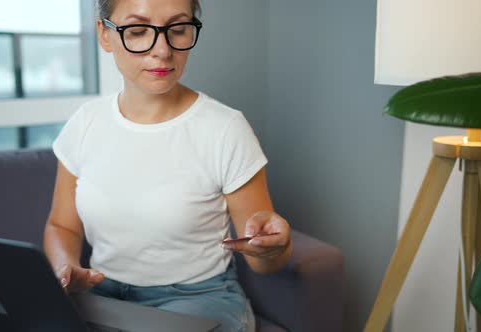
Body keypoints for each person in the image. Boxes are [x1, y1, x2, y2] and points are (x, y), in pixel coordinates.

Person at [43, 0, 293, 331]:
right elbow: (62, 226)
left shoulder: (225, 128)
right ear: (105, 35)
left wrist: (274, 247)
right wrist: (65, 270)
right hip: (102, 294)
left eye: (177, 30)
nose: (163, 50)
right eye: (138, 31)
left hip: (201, 297)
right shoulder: (85, 124)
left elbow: (261, 256)